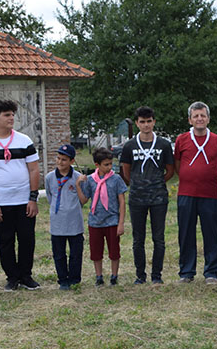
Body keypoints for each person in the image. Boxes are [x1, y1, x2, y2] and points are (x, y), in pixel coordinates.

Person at [0, 99, 40, 291]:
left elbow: (34, 170)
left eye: (13, 114)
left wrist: (33, 198)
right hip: (1, 202)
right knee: (5, 241)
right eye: (7, 115)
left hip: (23, 200)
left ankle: (26, 276)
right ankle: (12, 277)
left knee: (27, 239)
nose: (12, 118)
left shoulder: (24, 140)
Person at [120, 106, 173, 284]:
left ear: (154, 122)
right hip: (137, 198)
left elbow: (170, 170)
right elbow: (126, 171)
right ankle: (140, 275)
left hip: (158, 197)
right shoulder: (129, 145)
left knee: (158, 238)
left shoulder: (164, 144)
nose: (146, 125)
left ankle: (156, 276)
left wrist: (156, 181)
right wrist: (137, 183)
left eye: (149, 121)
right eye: (142, 122)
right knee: (138, 238)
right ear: (137, 123)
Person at [173, 102, 217, 284]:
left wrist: (207, 176)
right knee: (186, 233)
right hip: (186, 193)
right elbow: (178, 165)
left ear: (208, 119)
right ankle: (186, 272)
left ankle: (212, 272)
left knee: (211, 234)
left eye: (202, 115)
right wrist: (190, 176)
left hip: (210, 194)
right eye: (196, 116)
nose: (199, 119)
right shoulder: (182, 139)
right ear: (190, 119)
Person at [76, 147, 127, 286]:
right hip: (95, 221)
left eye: (111, 163)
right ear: (97, 165)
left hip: (112, 221)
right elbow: (84, 200)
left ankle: (114, 275)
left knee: (114, 251)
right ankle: (99, 276)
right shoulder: (90, 180)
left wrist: (121, 223)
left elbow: (122, 201)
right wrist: (78, 185)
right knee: (96, 252)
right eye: (106, 164)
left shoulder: (116, 179)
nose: (109, 167)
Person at [44, 143, 84, 290]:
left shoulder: (78, 178)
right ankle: (63, 279)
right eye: (58, 158)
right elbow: (49, 196)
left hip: (74, 222)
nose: (60, 162)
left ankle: (74, 279)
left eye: (64, 160)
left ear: (72, 161)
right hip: (57, 222)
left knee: (76, 253)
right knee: (59, 254)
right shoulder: (49, 178)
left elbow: (83, 199)